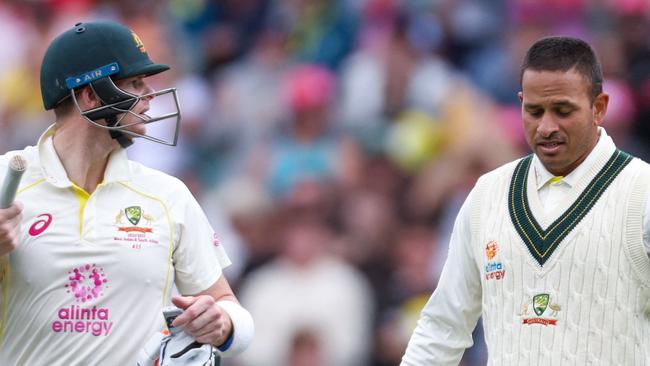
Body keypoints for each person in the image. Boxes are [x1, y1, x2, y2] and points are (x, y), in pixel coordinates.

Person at [0, 21, 253, 365]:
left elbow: (231, 310)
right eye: (135, 83)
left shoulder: (167, 195)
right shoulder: (6, 180)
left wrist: (222, 324)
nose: (150, 96)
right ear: (91, 95)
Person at [401, 36, 650, 365]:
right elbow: (442, 328)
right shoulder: (486, 196)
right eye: (534, 111)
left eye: (563, 111)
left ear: (598, 108)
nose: (546, 127)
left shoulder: (641, 193)